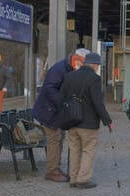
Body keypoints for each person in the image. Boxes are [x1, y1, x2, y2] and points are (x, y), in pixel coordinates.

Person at [33, 47, 91, 183]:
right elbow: (49, 89)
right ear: (76, 59)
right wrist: (65, 102)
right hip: (48, 111)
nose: (84, 66)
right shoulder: (59, 69)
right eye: (83, 63)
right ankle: (52, 171)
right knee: (54, 138)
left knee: (59, 137)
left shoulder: (69, 68)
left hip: (55, 111)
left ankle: (55, 168)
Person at [58, 52, 113, 189]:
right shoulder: (94, 79)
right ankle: (83, 180)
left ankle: (73, 179)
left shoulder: (69, 76)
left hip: (72, 122)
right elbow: (98, 103)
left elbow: (61, 98)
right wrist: (107, 120)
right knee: (88, 150)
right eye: (98, 65)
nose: (98, 67)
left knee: (74, 150)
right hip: (88, 124)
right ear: (94, 65)